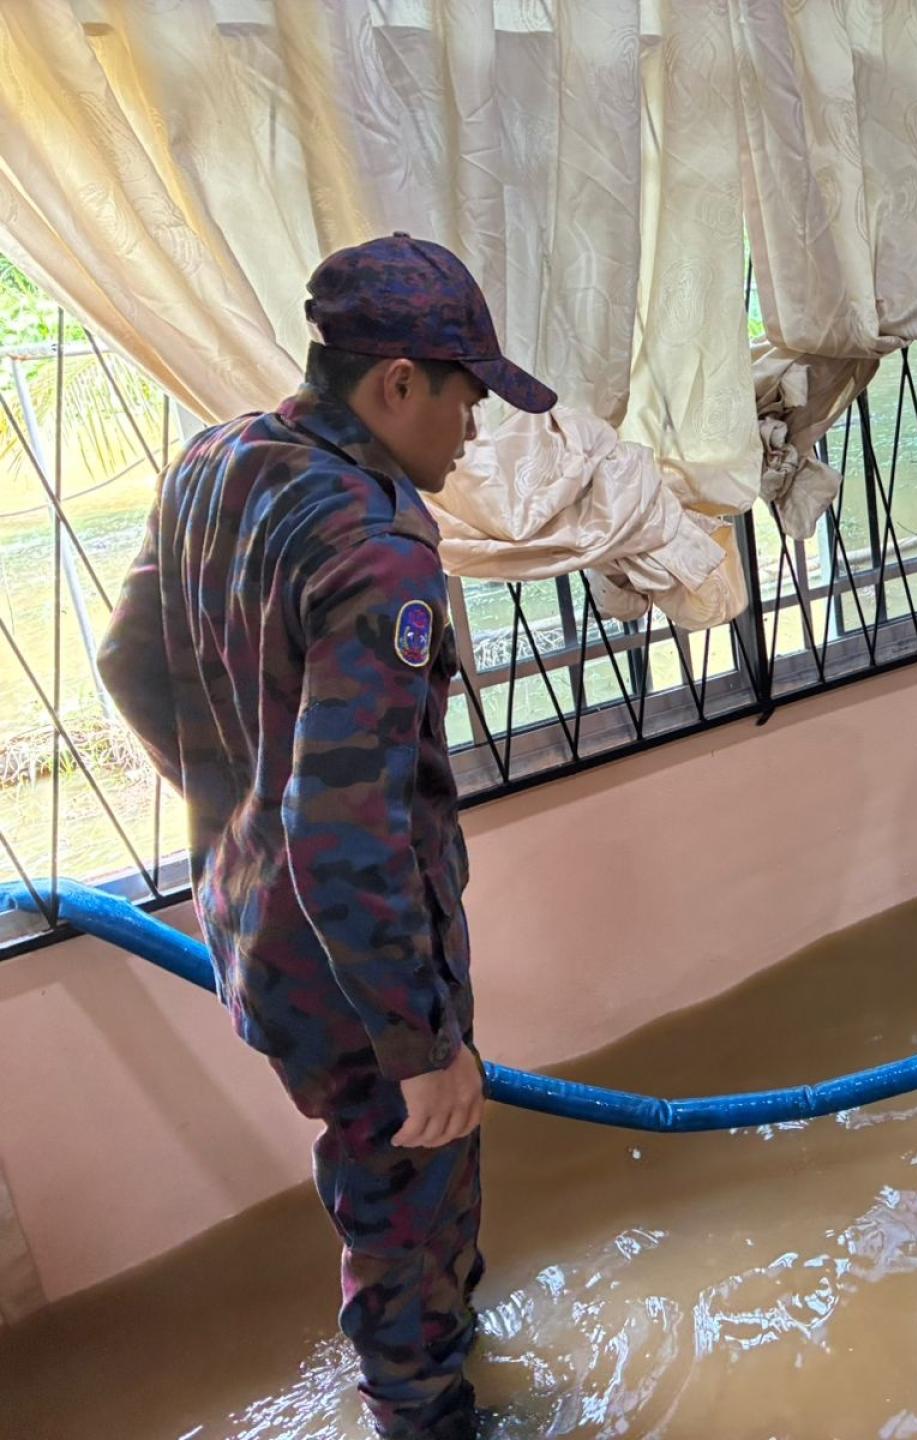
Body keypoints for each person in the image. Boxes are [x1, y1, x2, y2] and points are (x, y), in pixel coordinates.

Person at [98, 234, 558, 1439]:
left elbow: (125, 661)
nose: (472, 430)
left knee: (388, 1183)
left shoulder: (216, 459)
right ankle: (425, 1410)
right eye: (464, 397)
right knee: (405, 1194)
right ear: (397, 382)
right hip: (356, 969)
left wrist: (233, 794)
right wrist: (420, 1046)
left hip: (256, 931)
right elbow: (346, 831)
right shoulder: (381, 552)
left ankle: (442, 1343)